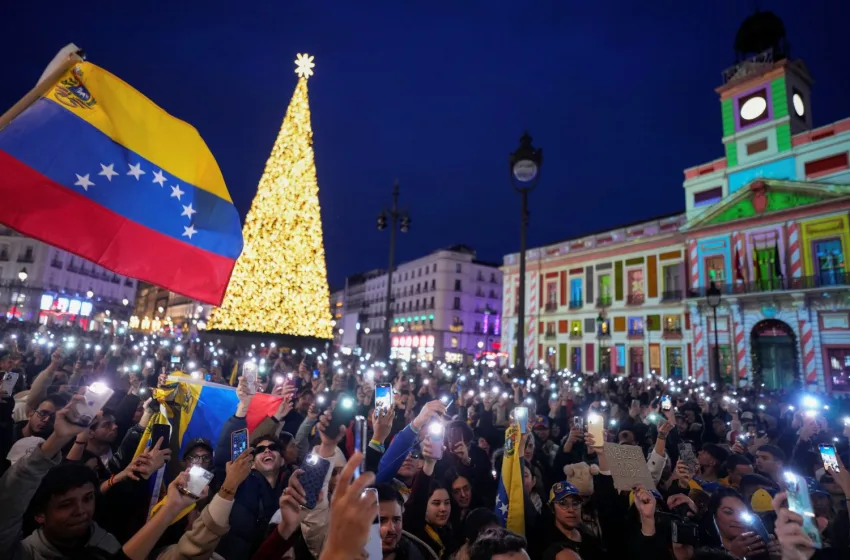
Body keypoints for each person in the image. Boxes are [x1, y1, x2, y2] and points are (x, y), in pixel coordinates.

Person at [0, 394, 122, 558]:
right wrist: (59, 438)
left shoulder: (109, 546)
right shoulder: (20, 554)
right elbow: (11, 498)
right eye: (66, 504)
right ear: (39, 515)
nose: (81, 511)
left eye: (87, 498)